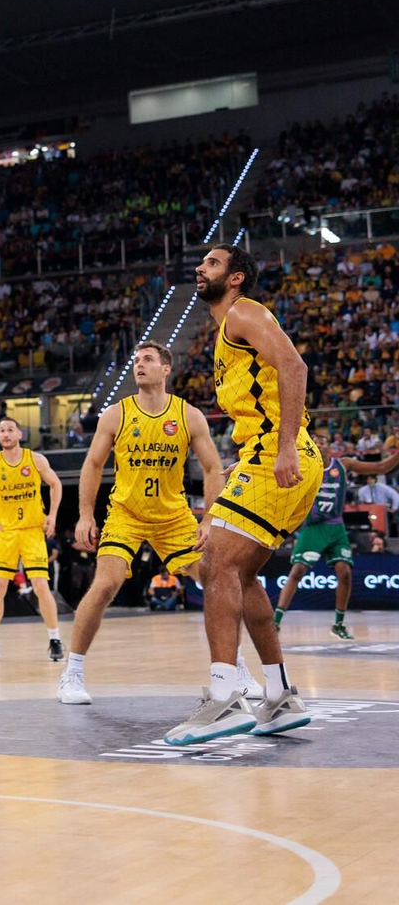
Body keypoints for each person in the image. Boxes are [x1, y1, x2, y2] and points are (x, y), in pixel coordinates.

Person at [164, 245, 321, 747]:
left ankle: (225, 695)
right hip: (266, 452)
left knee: (215, 564)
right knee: (241, 572)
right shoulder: (225, 333)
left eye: (211, 263)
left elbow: (294, 369)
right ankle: (277, 695)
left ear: (235, 278)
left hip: (282, 452)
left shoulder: (244, 312)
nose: (200, 268)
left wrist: (282, 448)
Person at [61, 341, 226, 705]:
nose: (140, 364)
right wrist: (86, 514)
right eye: (136, 360)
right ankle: (72, 673)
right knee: (106, 584)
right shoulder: (116, 414)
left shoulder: (189, 415)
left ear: (166, 369)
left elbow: (214, 468)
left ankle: (233, 670)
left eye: (148, 359)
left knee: (216, 583)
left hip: (173, 516)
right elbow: (92, 465)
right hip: (126, 513)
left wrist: (210, 518)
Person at [272, 432, 399, 641]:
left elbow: (380, 468)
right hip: (313, 527)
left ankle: (338, 625)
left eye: (323, 441)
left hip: (336, 526)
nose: (319, 444)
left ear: (330, 448)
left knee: (345, 573)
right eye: (315, 442)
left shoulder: (343, 464)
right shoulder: (302, 464)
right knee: (297, 571)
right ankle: (275, 622)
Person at [0, 417, 63, 662]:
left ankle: (55, 640)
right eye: (1, 430)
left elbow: (55, 484)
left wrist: (52, 515)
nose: (5, 434)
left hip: (33, 530)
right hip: (7, 533)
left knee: (42, 587)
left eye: (10, 430)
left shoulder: (35, 459)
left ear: (19, 434)